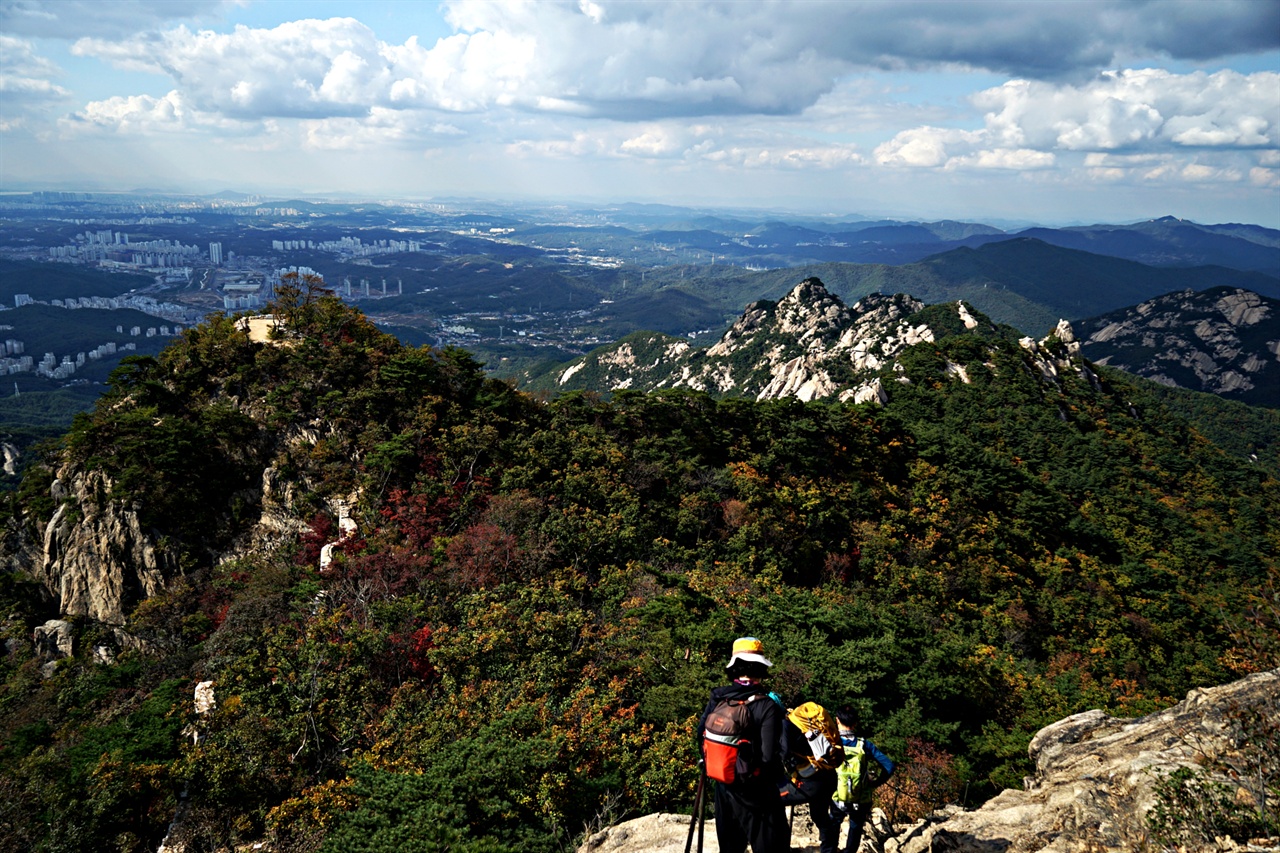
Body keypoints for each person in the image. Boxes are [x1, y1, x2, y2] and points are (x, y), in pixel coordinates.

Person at [697, 637, 789, 853]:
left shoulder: (719, 697)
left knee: (730, 847)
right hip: (755, 788)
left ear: (734, 667)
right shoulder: (766, 705)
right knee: (770, 844)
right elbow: (768, 756)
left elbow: (700, 735)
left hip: (723, 783)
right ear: (760, 668)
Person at [815, 705, 895, 853]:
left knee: (833, 823)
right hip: (860, 796)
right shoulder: (864, 744)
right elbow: (889, 766)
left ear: (837, 721)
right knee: (856, 825)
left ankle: (829, 850)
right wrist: (874, 783)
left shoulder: (831, 743)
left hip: (836, 794)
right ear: (855, 723)